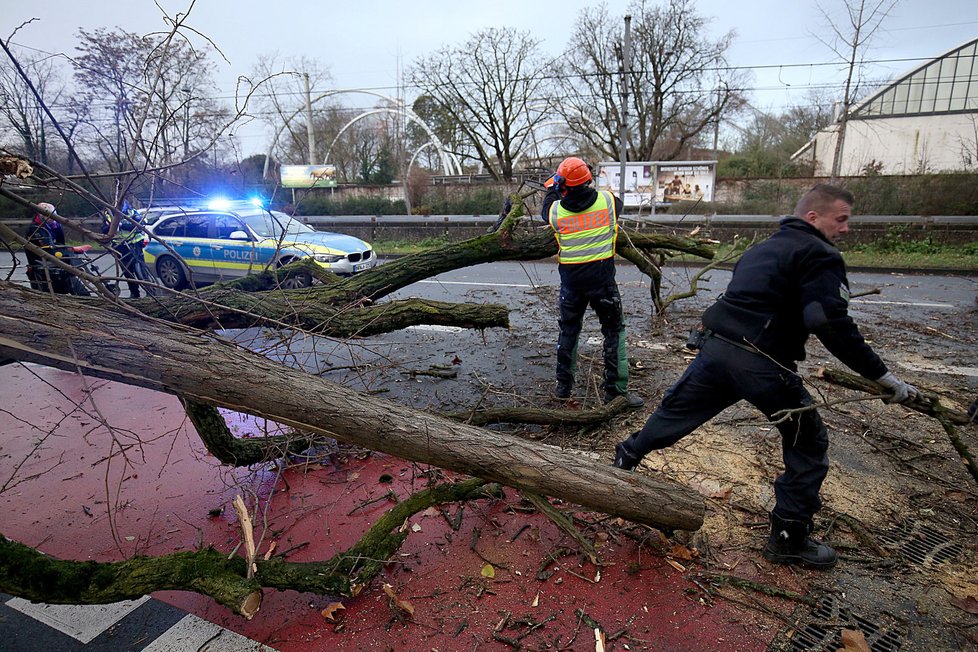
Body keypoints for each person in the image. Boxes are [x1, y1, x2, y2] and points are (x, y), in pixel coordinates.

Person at [612, 184, 919, 569]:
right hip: (762, 362)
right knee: (807, 442)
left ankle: (622, 462)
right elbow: (828, 322)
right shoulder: (820, 254)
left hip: (717, 348)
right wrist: (882, 376)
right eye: (840, 219)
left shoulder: (760, 249)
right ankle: (789, 538)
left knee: (675, 413)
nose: (845, 229)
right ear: (813, 217)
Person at [542, 156, 643, 408]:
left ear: (564, 185)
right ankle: (616, 391)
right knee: (614, 332)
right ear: (589, 180)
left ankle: (563, 388)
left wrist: (553, 189)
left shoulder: (555, 211)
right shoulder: (608, 202)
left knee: (569, 332)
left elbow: (547, 208)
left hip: (572, 285)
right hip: (603, 283)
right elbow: (612, 203)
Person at [102, 202, 150, 298]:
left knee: (141, 270)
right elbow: (104, 229)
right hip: (119, 246)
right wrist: (110, 226)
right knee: (127, 272)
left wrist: (120, 224)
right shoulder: (108, 214)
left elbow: (139, 225)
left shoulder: (132, 212)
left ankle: (150, 292)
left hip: (134, 243)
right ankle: (134, 293)